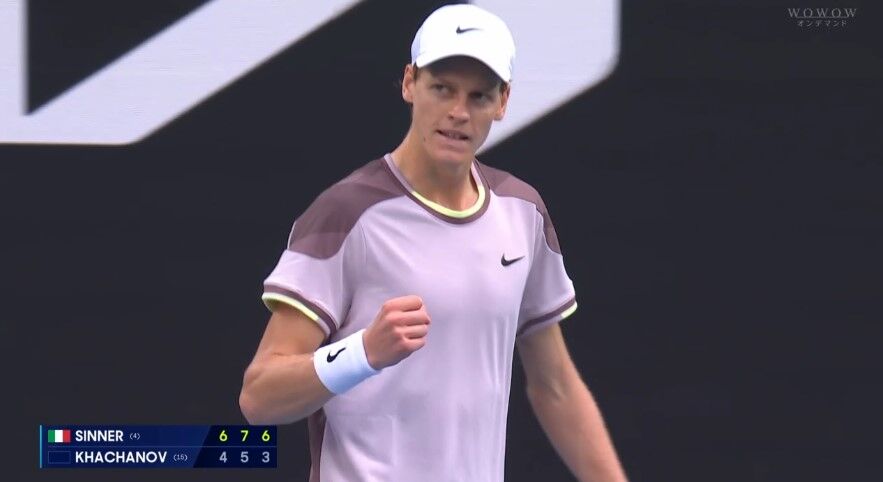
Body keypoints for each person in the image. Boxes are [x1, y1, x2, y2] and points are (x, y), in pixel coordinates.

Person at [239, 4, 627, 481]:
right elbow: (259, 397)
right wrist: (363, 352)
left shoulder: (522, 212)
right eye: (442, 88)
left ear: (503, 102)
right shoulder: (344, 214)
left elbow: (556, 388)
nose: (458, 112)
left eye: (479, 96)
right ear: (410, 83)